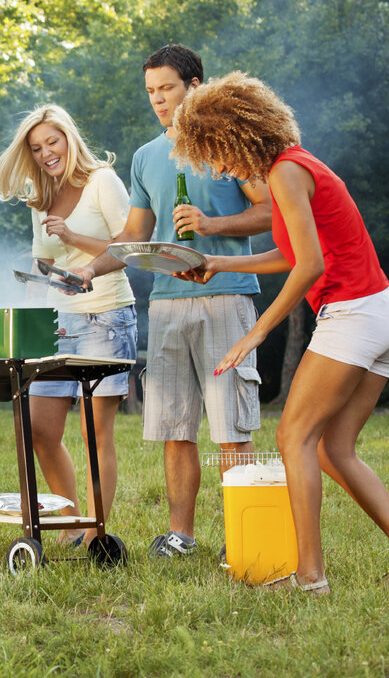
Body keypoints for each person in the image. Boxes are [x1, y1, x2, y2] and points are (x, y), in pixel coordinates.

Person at [170, 71, 389, 594]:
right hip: (382, 311)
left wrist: (259, 332)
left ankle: (310, 577)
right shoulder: (296, 166)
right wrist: (216, 263)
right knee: (332, 448)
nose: (219, 168)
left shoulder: (286, 172)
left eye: (217, 153)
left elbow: (310, 265)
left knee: (293, 436)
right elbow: (295, 255)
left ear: (237, 134)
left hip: (354, 314)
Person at [69, 45, 272, 559]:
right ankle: (181, 535)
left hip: (226, 296)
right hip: (165, 304)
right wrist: (90, 268)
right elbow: (135, 234)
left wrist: (212, 226)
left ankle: (241, 537)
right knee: (175, 428)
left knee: (231, 427)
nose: (159, 100)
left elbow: (272, 210)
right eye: (152, 92)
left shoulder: (230, 143)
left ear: (196, 86)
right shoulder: (145, 157)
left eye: (168, 88)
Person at [0, 105, 136, 547]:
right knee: (39, 430)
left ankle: (96, 534)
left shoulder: (102, 182)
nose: (45, 153)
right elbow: (48, 265)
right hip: (60, 322)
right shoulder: (41, 196)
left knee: (94, 433)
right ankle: (72, 526)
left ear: (69, 139)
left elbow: (131, 246)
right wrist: (29, 316)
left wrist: (73, 237)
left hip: (106, 315)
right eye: (36, 148)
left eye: (51, 142)